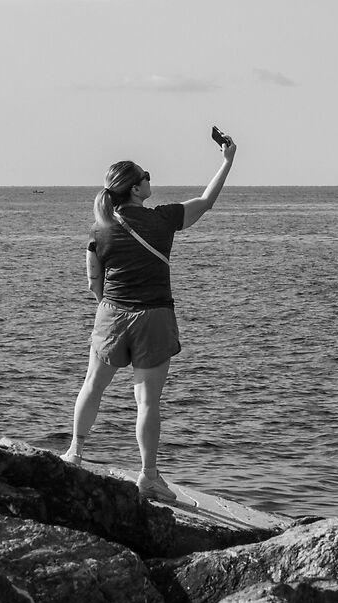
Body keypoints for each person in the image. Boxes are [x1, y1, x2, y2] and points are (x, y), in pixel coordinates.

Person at [62, 128, 235, 500]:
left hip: (112, 314)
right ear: (136, 190)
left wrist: (110, 310)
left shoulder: (99, 230)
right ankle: (149, 476)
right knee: (147, 402)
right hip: (153, 317)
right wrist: (227, 161)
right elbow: (206, 202)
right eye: (146, 176)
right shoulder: (161, 220)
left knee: (92, 385)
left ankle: (74, 453)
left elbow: (94, 283)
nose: (149, 179)